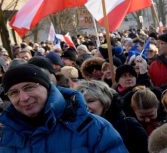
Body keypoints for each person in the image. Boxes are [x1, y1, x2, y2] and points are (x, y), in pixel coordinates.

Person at [0, 63, 128, 152]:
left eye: (29, 87)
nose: (23, 98)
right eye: (13, 93)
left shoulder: (93, 127)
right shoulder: (5, 135)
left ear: (47, 88)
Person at [76, 80, 149, 153]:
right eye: (81, 102)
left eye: (90, 101)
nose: (85, 106)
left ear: (104, 102)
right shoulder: (72, 130)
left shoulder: (130, 127)